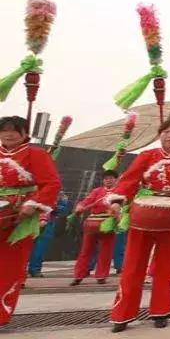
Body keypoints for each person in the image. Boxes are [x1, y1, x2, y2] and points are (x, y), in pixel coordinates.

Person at [107, 119, 170, 332]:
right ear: (159, 134)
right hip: (144, 214)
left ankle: (161, 311)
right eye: (167, 132)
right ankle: (122, 314)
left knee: (166, 266)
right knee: (133, 265)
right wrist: (117, 201)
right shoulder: (147, 156)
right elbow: (129, 180)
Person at [0, 115, 61, 325]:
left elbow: (51, 184)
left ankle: (1, 314)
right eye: (4, 130)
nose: (8, 134)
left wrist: (32, 204)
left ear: (25, 133)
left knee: (10, 266)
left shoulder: (36, 154)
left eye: (14, 130)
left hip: (20, 216)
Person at [71, 170, 120, 285]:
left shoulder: (119, 192)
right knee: (86, 250)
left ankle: (101, 275)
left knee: (106, 251)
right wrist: (80, 207)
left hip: (108, 223)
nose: (108, 180)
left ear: (115, 180)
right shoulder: (97, 191)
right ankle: (78, 275)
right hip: (93, 222)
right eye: (106, 178)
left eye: (111, 178)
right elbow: (86, 201)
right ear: (103, 180)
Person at [28, 191, 71, 278]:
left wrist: (60, 204)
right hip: (29, 222)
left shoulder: (58, 194)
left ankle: (35, 269)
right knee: (24, 248)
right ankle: (21, 271)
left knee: (40, 248)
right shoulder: (29, 189)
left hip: (47, 224)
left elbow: (62, 210)